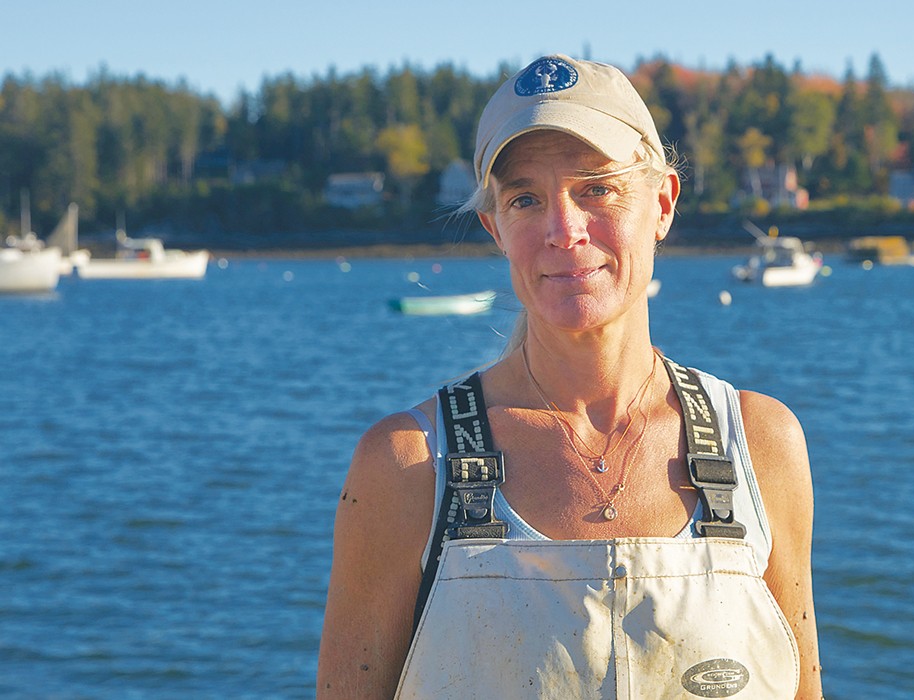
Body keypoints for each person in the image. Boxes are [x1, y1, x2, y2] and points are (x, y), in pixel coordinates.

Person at [317, 54, 823, 699]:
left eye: (596, 187)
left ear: (663, 202)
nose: (564, 230)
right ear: (494, 227)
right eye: (525, 198)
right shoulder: (409, 466)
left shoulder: (758, 444)